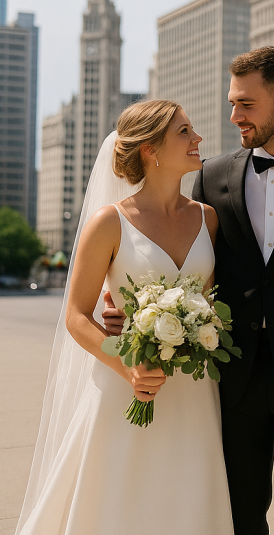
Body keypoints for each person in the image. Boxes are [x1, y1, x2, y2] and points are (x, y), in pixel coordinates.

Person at [105, 46, 274, 534]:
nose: (233, 116)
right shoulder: (212, 178)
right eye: (232, 103)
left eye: (246, 104)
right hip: (234, 382)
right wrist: (128, 313)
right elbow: (188, 273)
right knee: (240, 516)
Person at [16, 100, 234, 534]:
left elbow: (210, 305)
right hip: (126, 385)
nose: (198, 139)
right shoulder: (109, 223)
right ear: (150, 150)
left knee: (188, 503)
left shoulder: (207, 218)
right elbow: (77, 315)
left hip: (194, 391)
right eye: (184, 132)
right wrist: (128, 366)